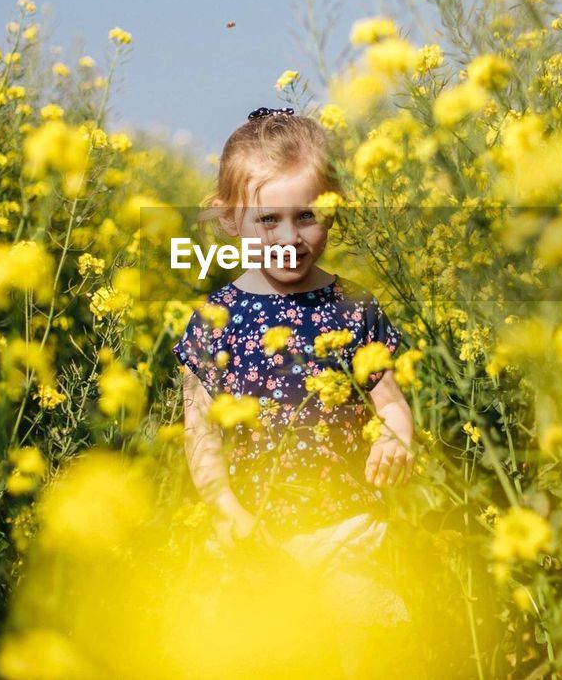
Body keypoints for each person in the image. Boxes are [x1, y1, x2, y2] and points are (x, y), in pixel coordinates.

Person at [173, 107, 416, 650]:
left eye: (307, 216)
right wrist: (227, 510)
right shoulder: (215, 318)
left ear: (333, 210)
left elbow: (391, 403)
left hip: (348, 525)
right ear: (230, 220)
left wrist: (398, 439)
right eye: (268, 221)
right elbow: (200, 433)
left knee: (367, 649)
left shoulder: (354, 306)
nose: (292, 236)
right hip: (253, 530)